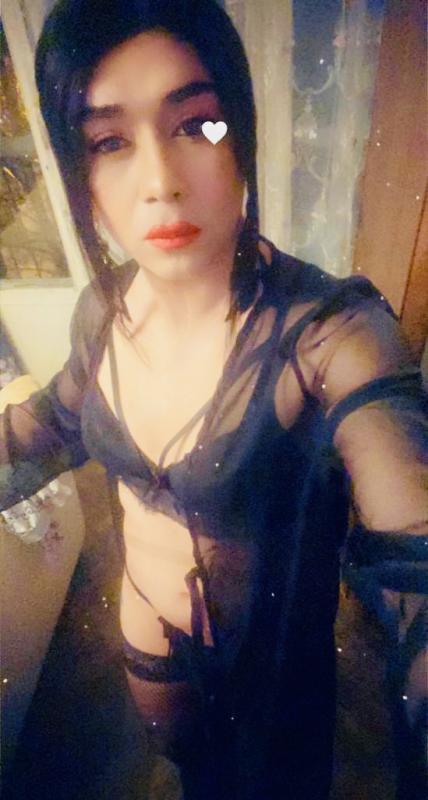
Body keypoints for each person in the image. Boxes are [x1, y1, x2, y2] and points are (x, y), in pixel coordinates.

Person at [0, 1, 427, 798]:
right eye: (109, 142)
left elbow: (414, 549)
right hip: (147, 653)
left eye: (197, 125)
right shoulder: (101, 311)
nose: (160, 183)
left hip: (275, 682)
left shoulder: (334, 337)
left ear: (242, 136)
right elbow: (52, 421)